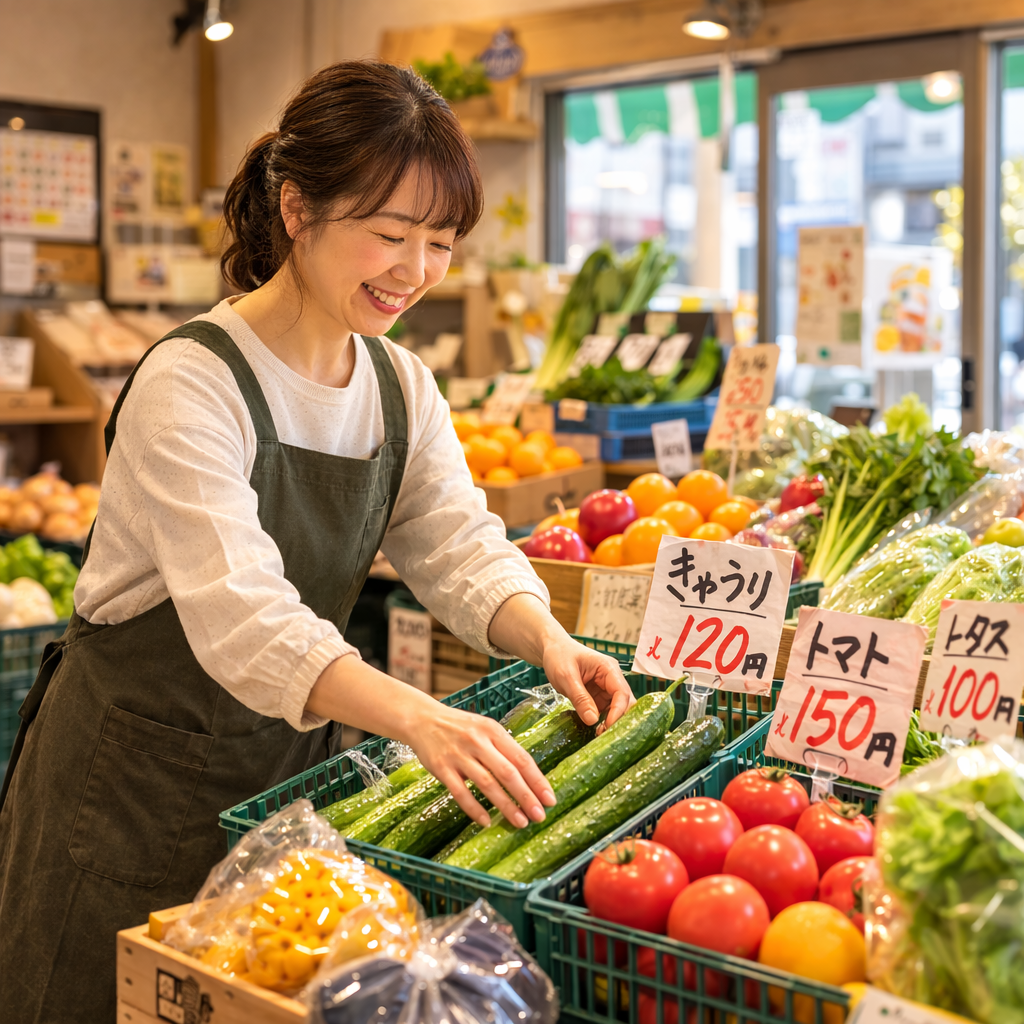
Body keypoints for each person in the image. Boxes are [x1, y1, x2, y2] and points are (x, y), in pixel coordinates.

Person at [0, 60, 633, 1020]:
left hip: (282, 796)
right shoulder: (192, 383)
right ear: (297, 210)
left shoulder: (399, 387)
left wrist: (548, 638)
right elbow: (244, 617)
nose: (415, 272)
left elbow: (459, 546)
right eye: (388, 234)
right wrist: (420, 716)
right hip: (122, 795)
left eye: (441, 242)